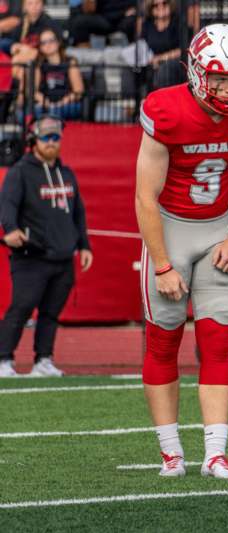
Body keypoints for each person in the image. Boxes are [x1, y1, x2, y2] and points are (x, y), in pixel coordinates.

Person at [136, 24, 228, 478]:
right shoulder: (166, 109)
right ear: (197, 72)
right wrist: (161, 264)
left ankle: (215, 453)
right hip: (171, 229)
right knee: (164, 342)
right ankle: (170, 452)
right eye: (220, 78)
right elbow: (144, 196)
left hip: (218, 227)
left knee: (217, 342)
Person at [0, 115, 92, 378]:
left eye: (56, 138)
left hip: (63, 258)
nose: (52, 142)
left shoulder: (66, 173)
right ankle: (4, 359)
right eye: (46, 138)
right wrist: (11, 230)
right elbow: (7, 206)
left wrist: (84, 246)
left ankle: (43, 360)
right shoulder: (20, 172)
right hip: (31, 256)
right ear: (33, 141)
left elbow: (78, 213)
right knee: (22, 307)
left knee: (51, 313)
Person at [31, 28, 84, 119]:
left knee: (56, 111)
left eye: (51, 41)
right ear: (40, 47)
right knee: (36, 110)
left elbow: (78, 91)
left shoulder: (70, 62)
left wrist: (61, 103)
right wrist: (45, 102)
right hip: (46, 104)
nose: (48, 45)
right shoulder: (38, 65)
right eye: (43, 43)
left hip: (67, 104)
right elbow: (33, 91)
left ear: (58, 42)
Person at [139, 0, 182, 90]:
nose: (160, 6)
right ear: (151, 8)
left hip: (172, 63)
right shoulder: (147, 24)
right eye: (155, 5)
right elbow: (142, 45)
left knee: (165, 69)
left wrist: (160, 58)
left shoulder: (177, 21)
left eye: (164, 3)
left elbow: (182, 49)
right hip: (151, 64)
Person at [69, 0, 136, 47]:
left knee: (133, 21)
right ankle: (82, 53)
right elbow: (89, 9)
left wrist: (137, 10)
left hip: (126, 18)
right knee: (77, 19)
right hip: (104, 18)